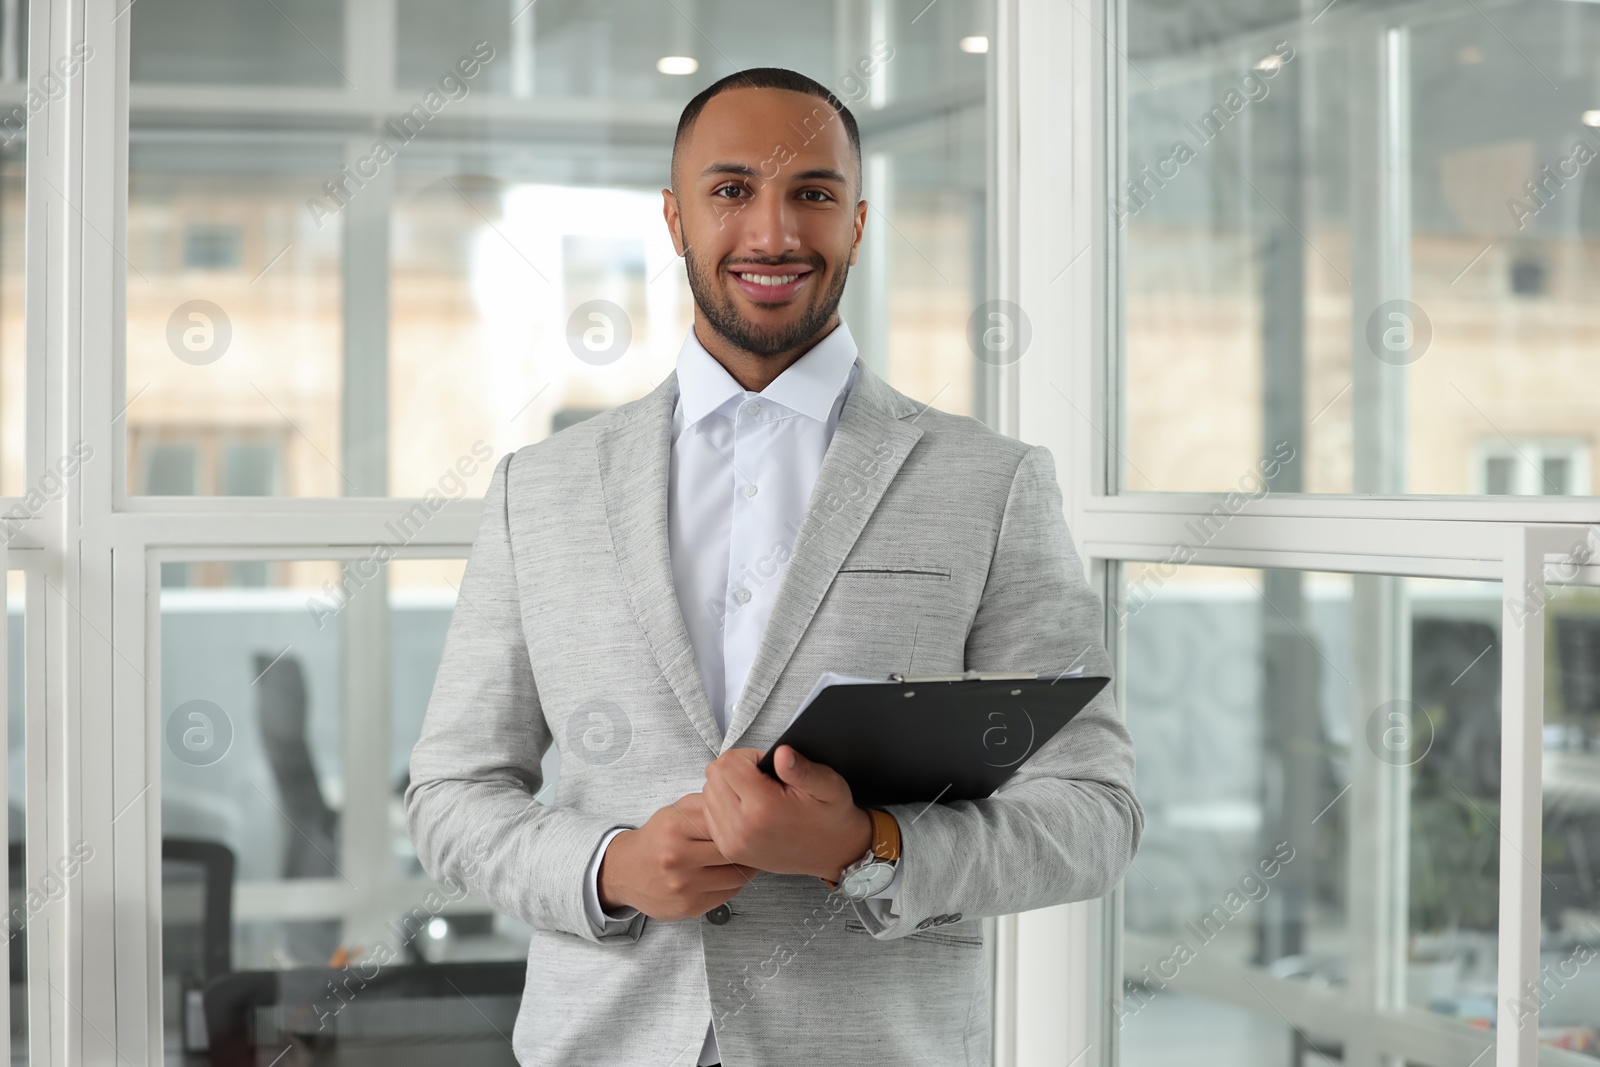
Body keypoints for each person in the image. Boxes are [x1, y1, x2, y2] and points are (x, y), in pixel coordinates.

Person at [406, 66, 1142, 1067]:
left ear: (857, 220)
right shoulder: (538, 488)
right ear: (673, 217)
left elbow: (1093, 814)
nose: (772, 234)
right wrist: (610, 865)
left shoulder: (990, 482)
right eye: (730, 189)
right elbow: (451, 792)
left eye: (812, 194)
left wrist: (865, 846)